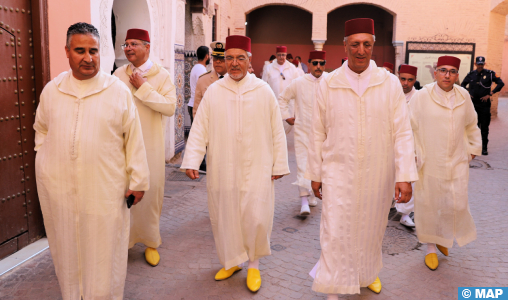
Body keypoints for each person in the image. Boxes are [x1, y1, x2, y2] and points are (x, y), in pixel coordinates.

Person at [33, 22, 150, 300]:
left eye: (94, 51)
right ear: (67, 52)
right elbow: (41, 130)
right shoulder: (53, 90)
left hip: (105, 190)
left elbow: (134, 139)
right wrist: (46, 165)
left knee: (104, 252)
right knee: (67, 248)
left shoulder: (117, 91)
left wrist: (139, 181)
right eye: (80, 50)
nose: (88, 58)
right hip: (61, 191)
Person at [305, 18, 417, 298]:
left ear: (373, 46)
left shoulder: (389, 84)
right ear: (345, 46)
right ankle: (333, 285)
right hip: (337, 171)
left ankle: (367, 274)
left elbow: (402, 132)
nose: (361, 50)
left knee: (371, 228)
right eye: (354, 44)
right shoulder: (329, 84)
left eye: (367, 44)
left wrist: (404, 175)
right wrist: (315, 174)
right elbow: (316, 132)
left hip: (378, 172)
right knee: (335, 229)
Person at [181, 35, 289, 293]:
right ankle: (231, 261)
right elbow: (200, 128)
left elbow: (276, 130)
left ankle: (253, 265)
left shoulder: (263, 91)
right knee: (225, 215)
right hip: (223, 167)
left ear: (249, 60)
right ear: (223, 61)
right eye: (229, 58)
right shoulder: (215, 91)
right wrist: (192, 159)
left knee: (255, 216)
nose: (234, 63)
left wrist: (278, 165)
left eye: (240, 58)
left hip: (257, 167)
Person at [410, 56, 482, 271]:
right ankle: (431, 246)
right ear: (435, 72)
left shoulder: (464, 95)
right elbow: (409, 127)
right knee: (430, 204)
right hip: (430, 160)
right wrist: (416, 155)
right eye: (443, 70)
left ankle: (443, 237)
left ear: (457, 75)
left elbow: (471, 124)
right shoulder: (421, 96)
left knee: (455, 203)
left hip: (457, 160)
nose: (447, 75)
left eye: (452, 71)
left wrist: (472, 150)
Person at [113, 28, 176, 267]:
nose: (128, 48)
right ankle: (125, 242)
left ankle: (151, 243)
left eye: (133, 44)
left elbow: (169, 107)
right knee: (123, 192)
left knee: (149, 196)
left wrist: (143, 87)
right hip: (121, 145)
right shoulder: (118, 74)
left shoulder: (162, 76)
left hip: (150, 146)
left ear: (147, 47)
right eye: (125, 44)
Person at [279, 50, 327, 216]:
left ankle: (313, 194)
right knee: (303, 165)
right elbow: (282, 98)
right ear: (309, 64)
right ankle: (304, 201)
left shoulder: (330, 81)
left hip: (325, 135)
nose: (318, 66)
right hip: (303, 131)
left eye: (322, 63)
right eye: (315, 63)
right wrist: (287, 117)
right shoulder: (299, 82)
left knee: (320, 166)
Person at [461, 56, 504, 155]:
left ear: (484, 64)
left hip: (484, 105)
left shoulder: (490, 74)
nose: (480, 66)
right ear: (475, 64)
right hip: (472, 105)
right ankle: (472, 146)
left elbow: (501, 83)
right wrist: (468, 93)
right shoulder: (471, 75)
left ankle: (484, 148)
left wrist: (490, 94)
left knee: (484, 127)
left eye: (482, 64)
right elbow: (463, 84)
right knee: (472, 125)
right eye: (478, 64)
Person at [395, 64, 419, 228]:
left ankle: (404, 214)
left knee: (408, 179)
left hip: (410, 145)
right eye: (403, 79)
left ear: (414, 80)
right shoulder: (390, 94)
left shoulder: (420, 98)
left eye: (410, 80)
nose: (406, 83)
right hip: (389, 143)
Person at [262, 46, 301, 135]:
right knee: (273, 127)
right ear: (276, 55)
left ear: (286, 55)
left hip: (288, 103)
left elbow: (298, 85)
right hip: (273, 101)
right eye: (279, 55)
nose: (281, 57)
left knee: (287, 127)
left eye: (283, 55)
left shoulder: (292, 68)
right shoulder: (269, 68)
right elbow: (264, 85)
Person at [193, 41, 227, 118]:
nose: (218, 61)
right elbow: (197, 109)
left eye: (221, 59)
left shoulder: (234, 79)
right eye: (215, 58)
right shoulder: (203, 80)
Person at [188, 45, 209, 124]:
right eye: (209, 55)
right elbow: (204, 89)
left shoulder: (196, 67)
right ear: (207, 56)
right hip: (197, 105)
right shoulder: (201, 69)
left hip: (193, 104)